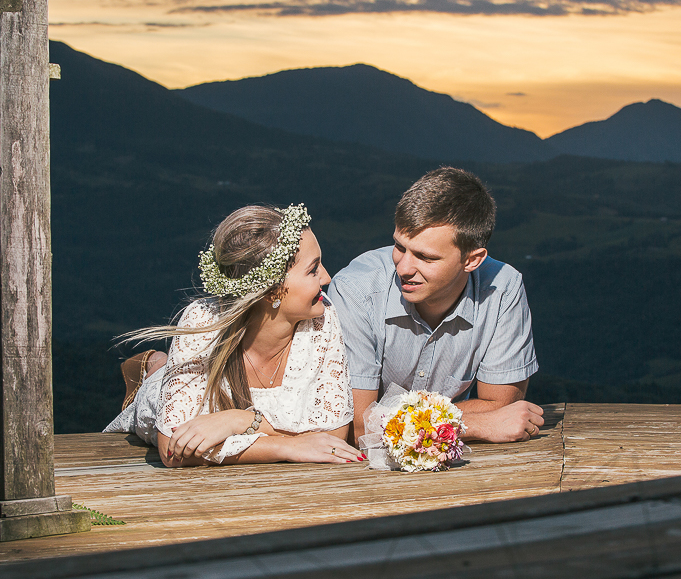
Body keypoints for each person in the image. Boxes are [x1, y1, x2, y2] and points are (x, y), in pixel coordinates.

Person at [106, 204, 363, 467]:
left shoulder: (322, 315)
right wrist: (288, 446)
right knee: (158, 385)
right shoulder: (203, 321)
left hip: (233, 422)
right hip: (161, 403)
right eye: (313, 269)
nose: (328, 278)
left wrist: (237, 421)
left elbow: (333, 437)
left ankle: (161, 364)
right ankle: (153, 367)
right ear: (272, 290)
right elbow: (173, 451)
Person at [327, 167, 544, 444]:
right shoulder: (356, 290)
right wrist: (469, 424)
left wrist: (392, 419)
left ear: (472, 260)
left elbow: (501, 406)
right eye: (399, 246)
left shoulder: (503, 289)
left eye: (425, 257)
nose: (404, 268)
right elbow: (359, 426)